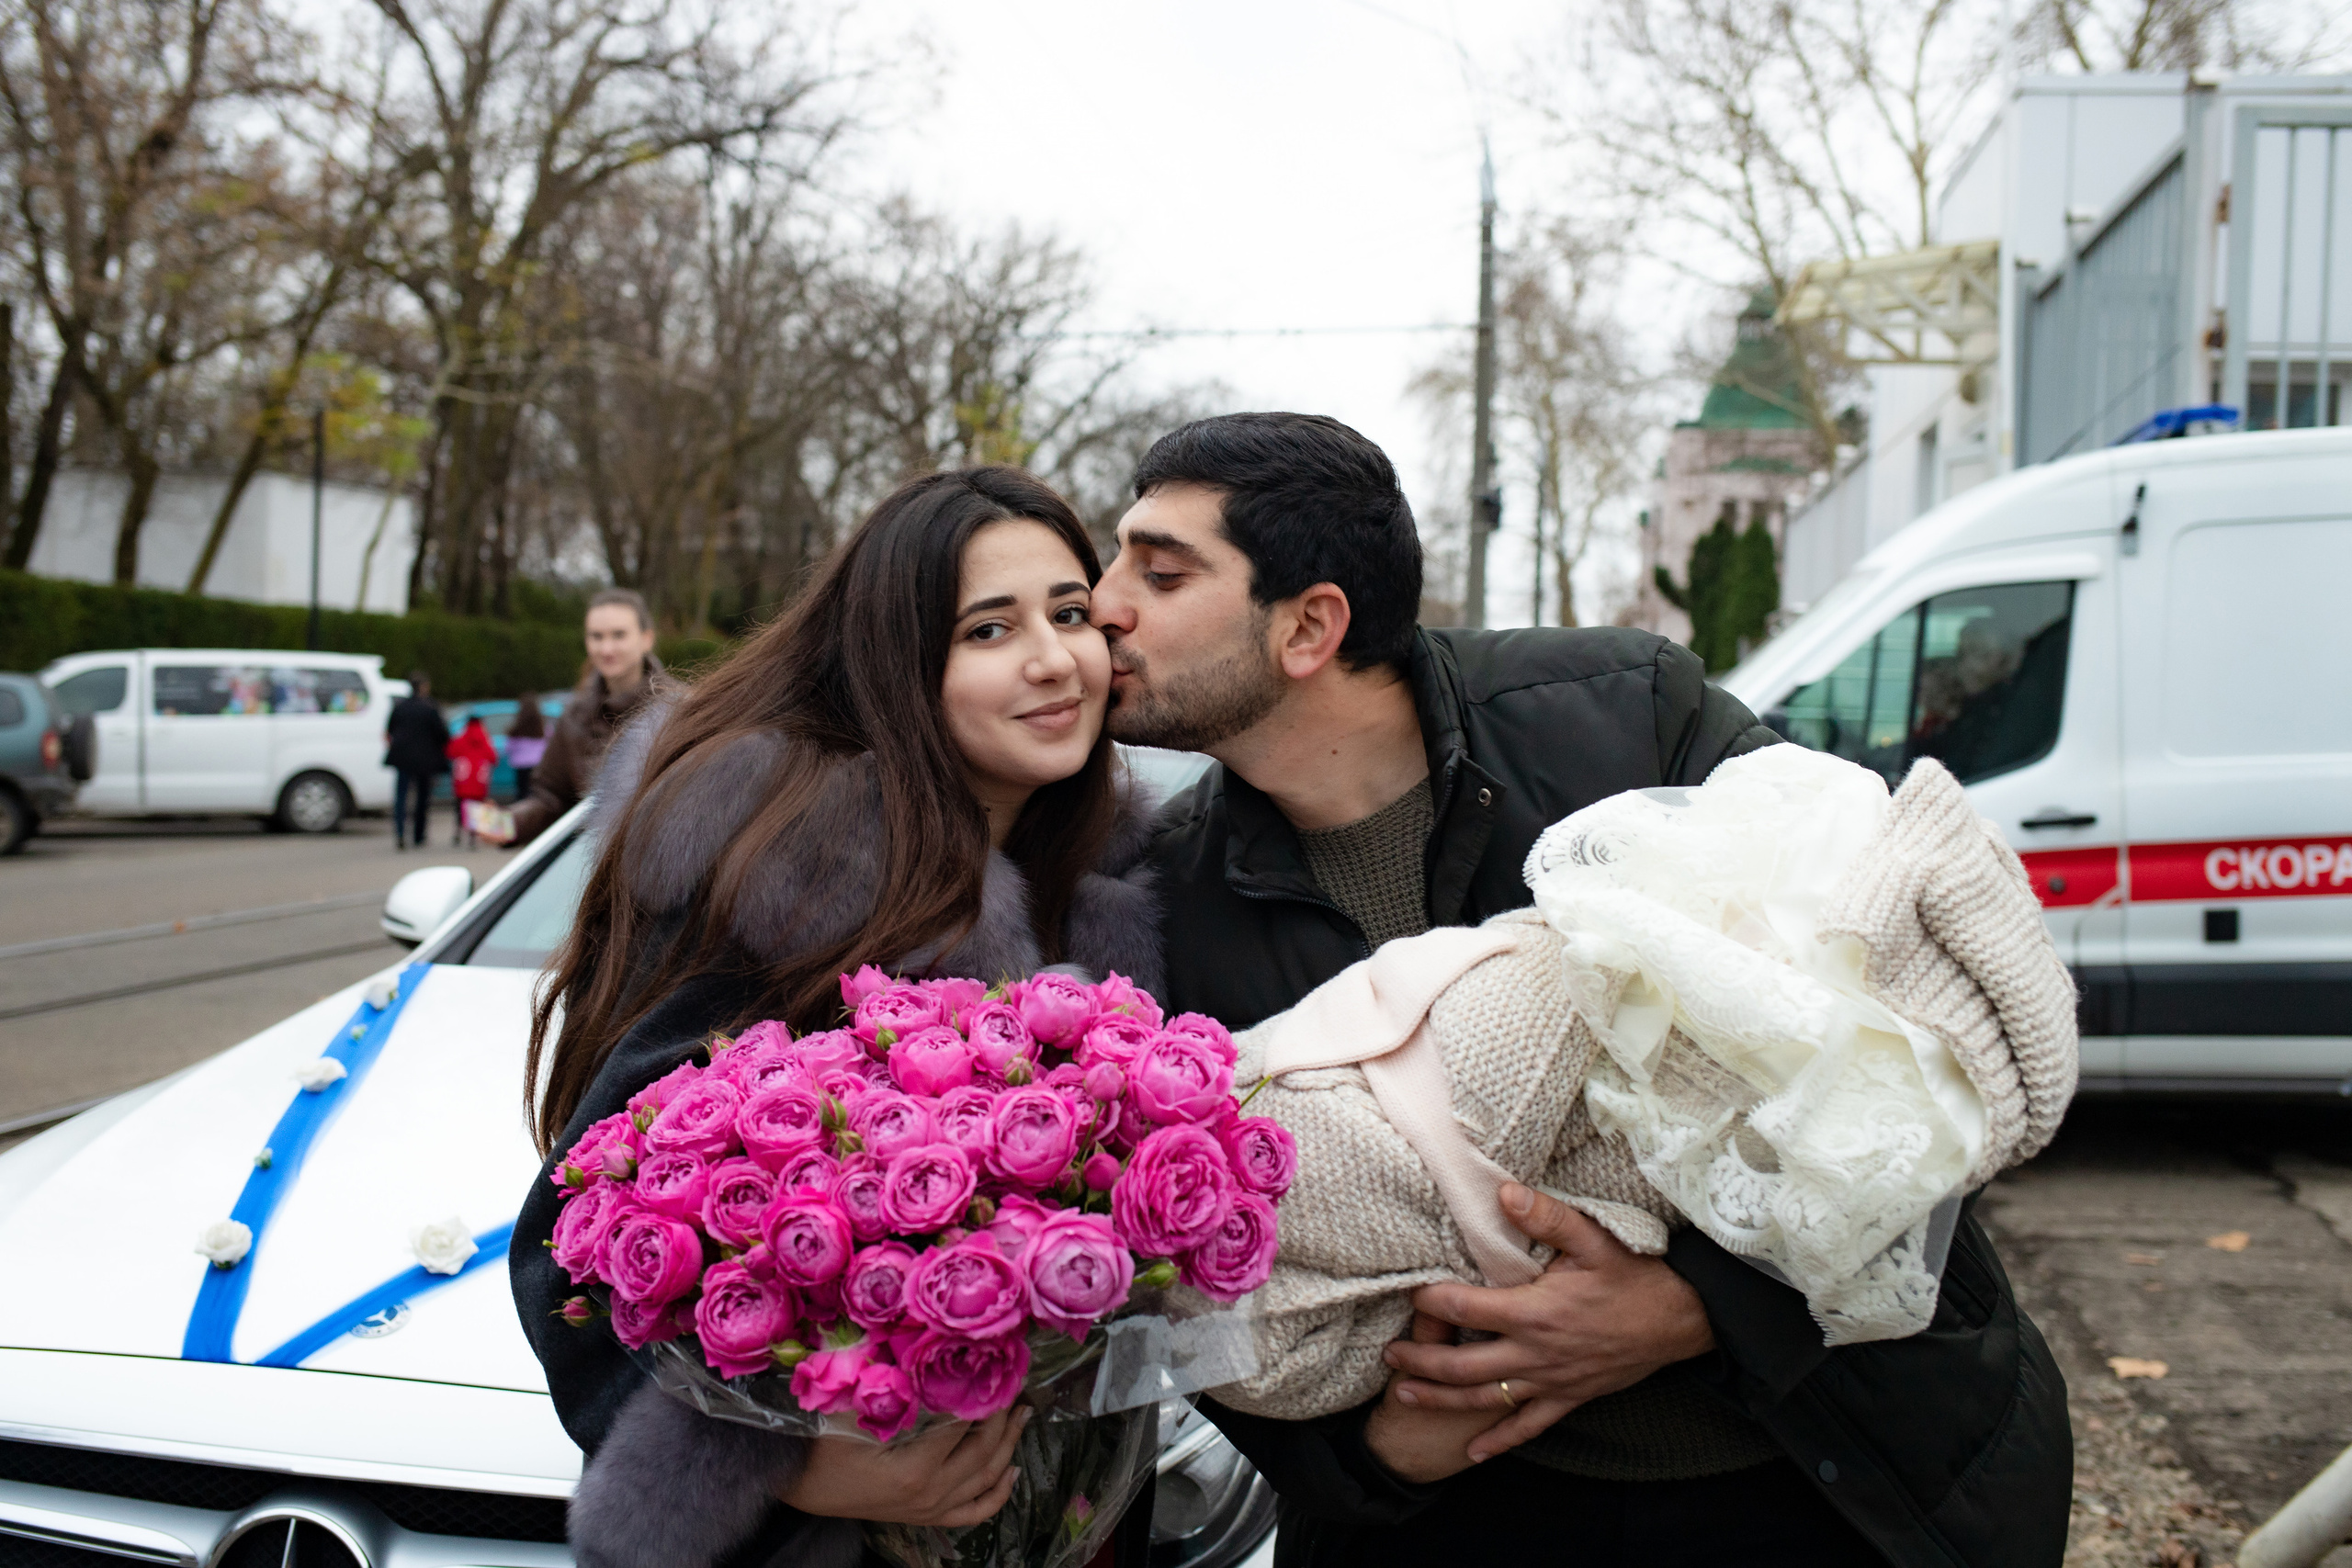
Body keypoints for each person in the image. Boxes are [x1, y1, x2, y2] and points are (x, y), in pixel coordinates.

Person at [1090, 412, 2071, 1568]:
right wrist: (1378, 1457)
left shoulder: (1628, 716)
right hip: (1477, 1518)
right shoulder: (1158, 903)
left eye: (1158, 572)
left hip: (1832, 1474)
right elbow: (1201, 1288)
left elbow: (1916, 1041)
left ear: (1311, 625)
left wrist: (1696, 1308)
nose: (1103, 603)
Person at [508, 468, 1165, 1568]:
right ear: (897, 666)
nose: (1054, 660)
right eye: (988, 630)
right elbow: (580, 1235)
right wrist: (793, 1459)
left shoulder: (1109, 893)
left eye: (1067, 613)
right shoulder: (790, 884)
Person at [496, 588, 664, 847]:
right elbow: (551, 798)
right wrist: (506, 824)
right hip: (595, 871)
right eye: (596, 636)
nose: (606, 648)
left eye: (619, 635)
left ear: (647, 638)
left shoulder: (682, 709)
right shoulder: (574, 717)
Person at [381, 671, 449, 852]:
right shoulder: (430, 708)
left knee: (401, 796)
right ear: (424, 687)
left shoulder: (400, 706)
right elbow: (442, 734)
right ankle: (419, 835)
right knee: (422, 797)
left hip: (402, 758)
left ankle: (400, 832)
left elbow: (390, 729)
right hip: (424, 759)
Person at [447, 715, 498, 847]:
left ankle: (458, 832)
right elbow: (493, 757)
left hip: (463, 781)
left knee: (460, 808)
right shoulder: (485, 738)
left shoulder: (462, 737)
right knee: (476, 809)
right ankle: (473, 838)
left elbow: (450, 752)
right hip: (479, 781)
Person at [506, 692, 548, 801]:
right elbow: (549, 744)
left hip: (521, 766)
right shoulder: (543, 727)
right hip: (538, 763)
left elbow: (508, 748)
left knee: (522, 794)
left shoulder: (517, 729)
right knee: (536, 794)